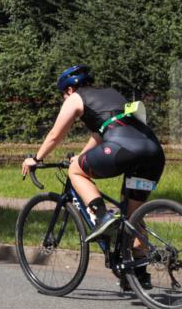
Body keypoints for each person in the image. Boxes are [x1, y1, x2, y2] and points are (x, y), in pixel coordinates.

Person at [21, 65, 165, 290]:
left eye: (63, 94)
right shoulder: (111, 94)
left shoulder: (75, 98)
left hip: (123, 147)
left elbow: (55, 135)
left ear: (69, 89)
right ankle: (138, 274)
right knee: (133, 217)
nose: (64, 98)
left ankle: (101, 216)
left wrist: (36, 158)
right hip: (153, 151)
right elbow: (101, 134)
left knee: (75, 170)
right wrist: (80, 156)